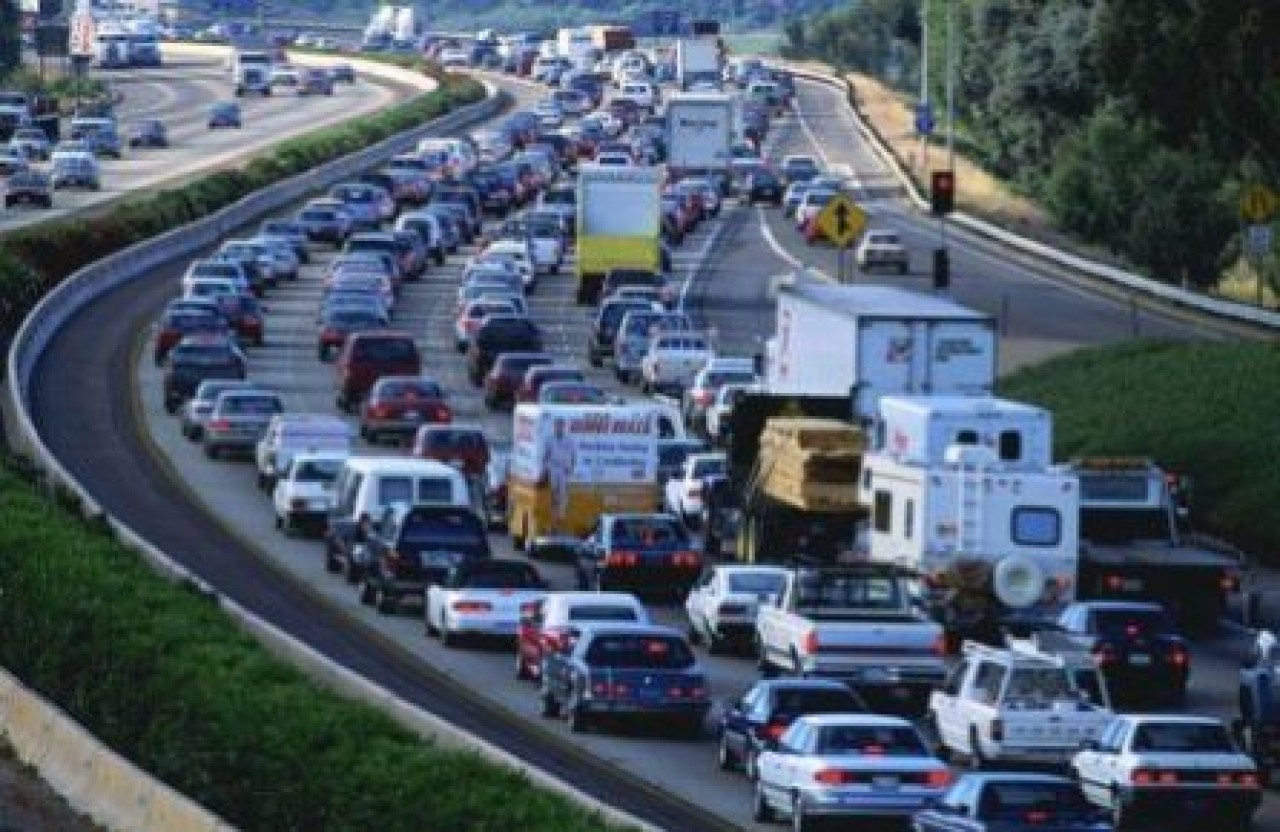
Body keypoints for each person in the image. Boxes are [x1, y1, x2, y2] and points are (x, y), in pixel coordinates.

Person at [543, 417, 575, 522]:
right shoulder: (549, 439)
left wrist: (571, 468)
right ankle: (553, 514)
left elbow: (573, 455)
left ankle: (561, 516)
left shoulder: (569, 440)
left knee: (563, 493)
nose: (559, 427)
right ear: (554, 427)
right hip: (553, 467)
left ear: (563, 427)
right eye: (557, 425)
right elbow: (546, 455)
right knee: (553, 493)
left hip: (564, 468)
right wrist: (546, 469)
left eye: (561, 425)